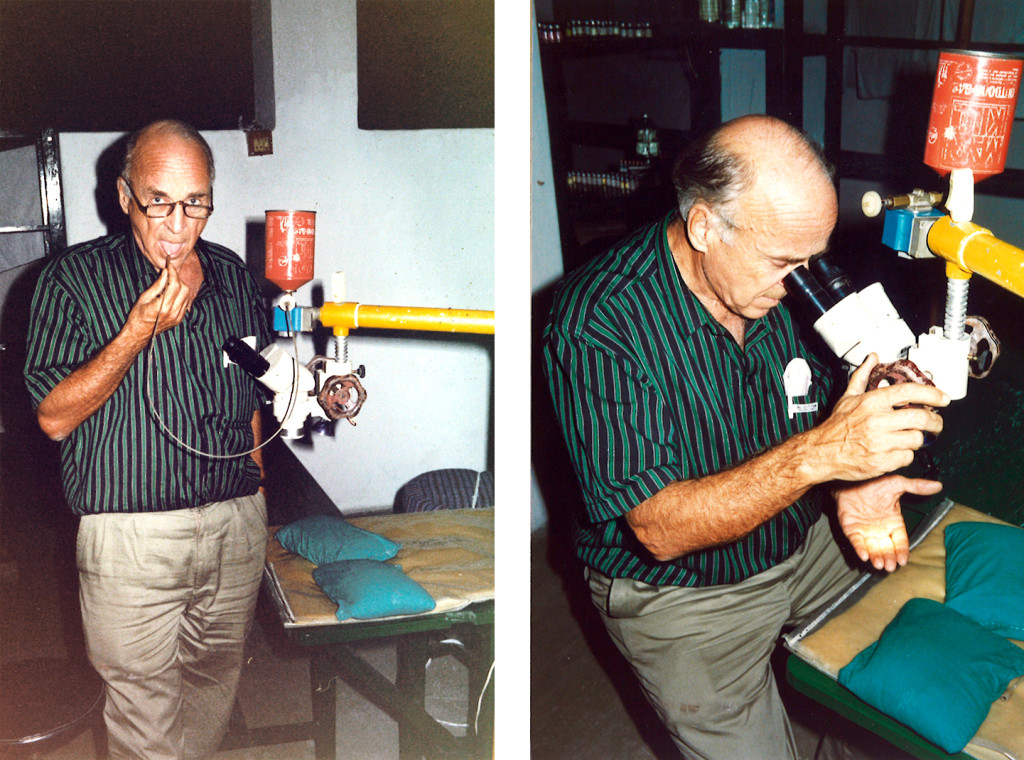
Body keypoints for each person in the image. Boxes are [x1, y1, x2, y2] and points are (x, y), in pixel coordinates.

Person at [542, 114, 949, 759]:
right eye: (786, 261)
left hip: (801, 530)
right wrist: (827, 457)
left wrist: (857, 476)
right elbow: (659, 528)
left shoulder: (783, 273)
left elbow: (828, 394)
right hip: (681, 588)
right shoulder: (597, 322)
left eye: (813, 256)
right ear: (703, 226)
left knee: (904, 684)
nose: (803, 282)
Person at [23, 119, 271, 760]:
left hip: (234, 527)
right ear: (124, 195)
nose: (178, 223)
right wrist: (135, 332)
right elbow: (54, 416)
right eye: (159, 200)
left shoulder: (231, 275)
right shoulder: (72, 280)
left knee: (214, 694)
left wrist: (258, 498)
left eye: (196, 203)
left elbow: (249, 389)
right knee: (144, 725)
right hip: (130, 543)